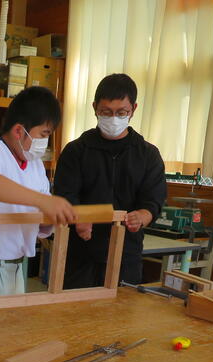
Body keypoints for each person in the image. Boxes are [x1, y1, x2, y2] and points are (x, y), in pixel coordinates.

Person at [0, 86, 77, 297]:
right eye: (43, 134)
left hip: (16, 266)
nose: (45, 141)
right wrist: (42, 201)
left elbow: (40, 219)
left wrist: (51, 217)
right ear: (18, 131)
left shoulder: (35, 164)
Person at [53, 73, 167, 289]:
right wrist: (78, 217)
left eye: (121, 112)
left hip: (126, 254)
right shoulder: (76, 151)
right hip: (81, 253)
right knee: (76, 308)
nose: (113, 118)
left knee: (121, 309)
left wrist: (143, 215)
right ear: (95, 107)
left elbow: (153, 199)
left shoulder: (147, 154)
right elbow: (64, 195)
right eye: (106, 112)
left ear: (133, 109)